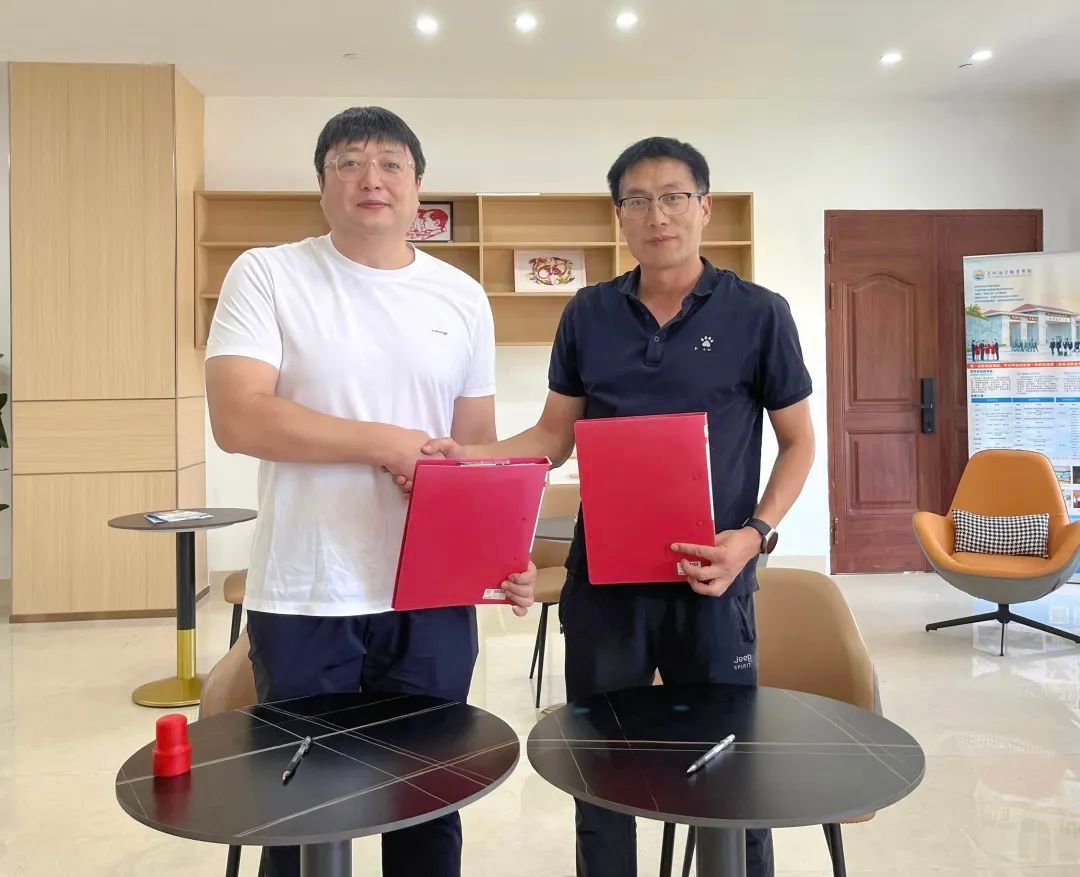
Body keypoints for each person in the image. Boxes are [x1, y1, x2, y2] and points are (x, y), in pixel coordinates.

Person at [423, 136, 815, 877]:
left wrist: (754, 536)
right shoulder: (588, 313)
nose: (656, 215)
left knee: (730, 771)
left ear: (704, 207)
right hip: (604, 587)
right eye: (637, 201)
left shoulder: (760, 313)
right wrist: (465, 457)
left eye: (673, 197)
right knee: (600, 773)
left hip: (714, 581)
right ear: (620, 216)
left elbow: (798, 443)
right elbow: (552, 437)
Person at [204, 106, 536, 877]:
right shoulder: (269, 273)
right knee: (301, 813)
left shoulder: (460, 296)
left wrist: (500, 558)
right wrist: (386, 442)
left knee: (427, 804)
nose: (371, 178)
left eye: (391, 163)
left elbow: (474, 453)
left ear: (419, 188)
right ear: (321, 186)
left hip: (431, 595)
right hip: (307, 589)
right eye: (348, 162)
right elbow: (238, 416)